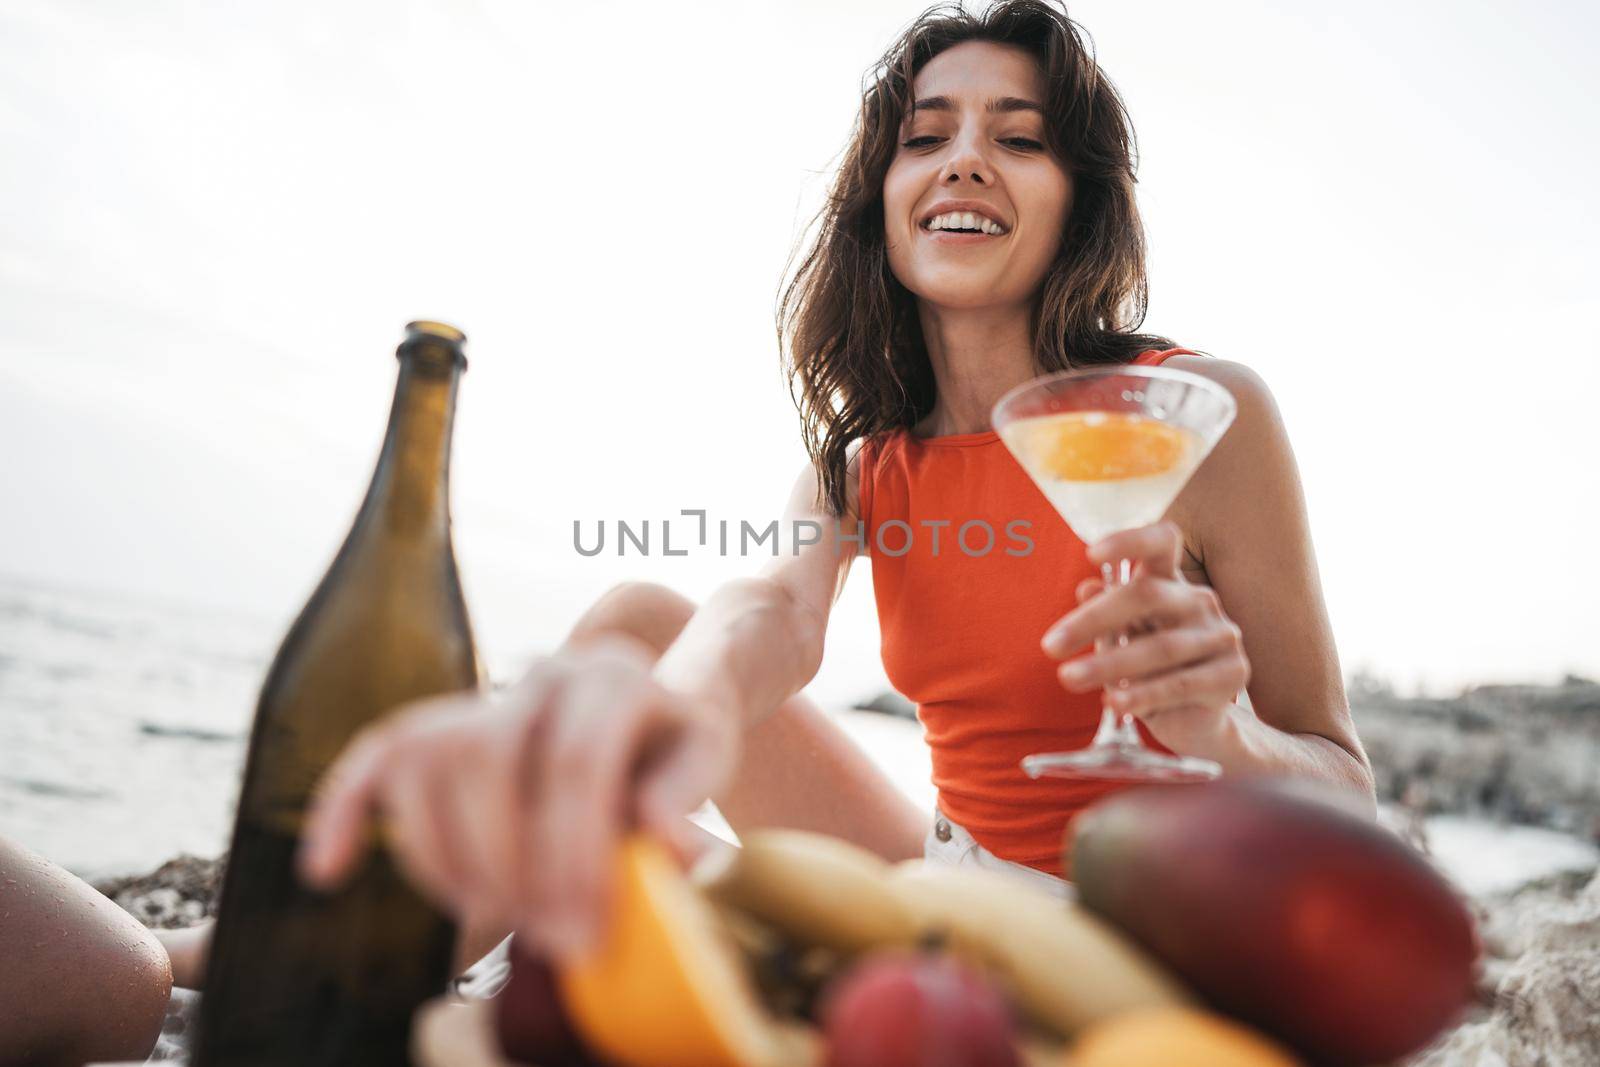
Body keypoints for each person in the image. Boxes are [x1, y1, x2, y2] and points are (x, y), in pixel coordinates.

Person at [295, 0, 1375, 965]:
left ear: (1076, 200)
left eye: (1018, 138)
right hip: (951, 882)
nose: (961, 161)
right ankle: (359, 956)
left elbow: (1346, 792)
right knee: (634, 623)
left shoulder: (1198, 411)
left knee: (595, 925)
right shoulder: (867, 464)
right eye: (924, 137)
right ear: (882, 196)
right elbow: (771, 609)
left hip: (1148, 943)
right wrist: (685, 705)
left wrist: (1224, 735)